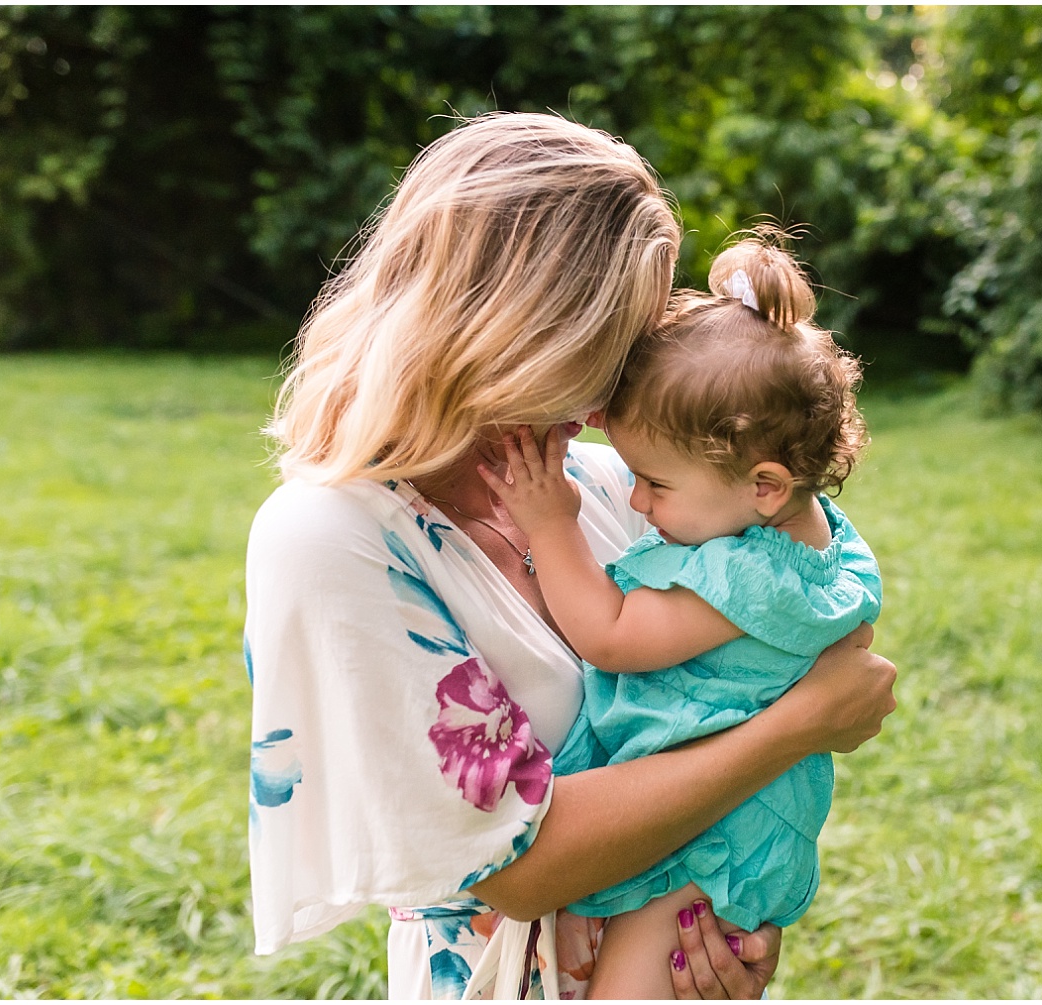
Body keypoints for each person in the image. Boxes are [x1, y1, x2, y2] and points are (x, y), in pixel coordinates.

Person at [243, 111, 897, 1000]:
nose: (604, 408)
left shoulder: (596, 482)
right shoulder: (334, 538)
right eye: (609, 352)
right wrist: (794, 729)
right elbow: (516, 862)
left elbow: (779, 619)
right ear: (519, 329)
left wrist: (718, 933)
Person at [479, 233, 881, 999]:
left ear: (764, 484)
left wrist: (552, 524)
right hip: (732, 819)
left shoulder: (746, 577)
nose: (635, 503)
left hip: (707, 848)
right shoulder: (814, 533)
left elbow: (611, 635)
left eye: (655, 483)